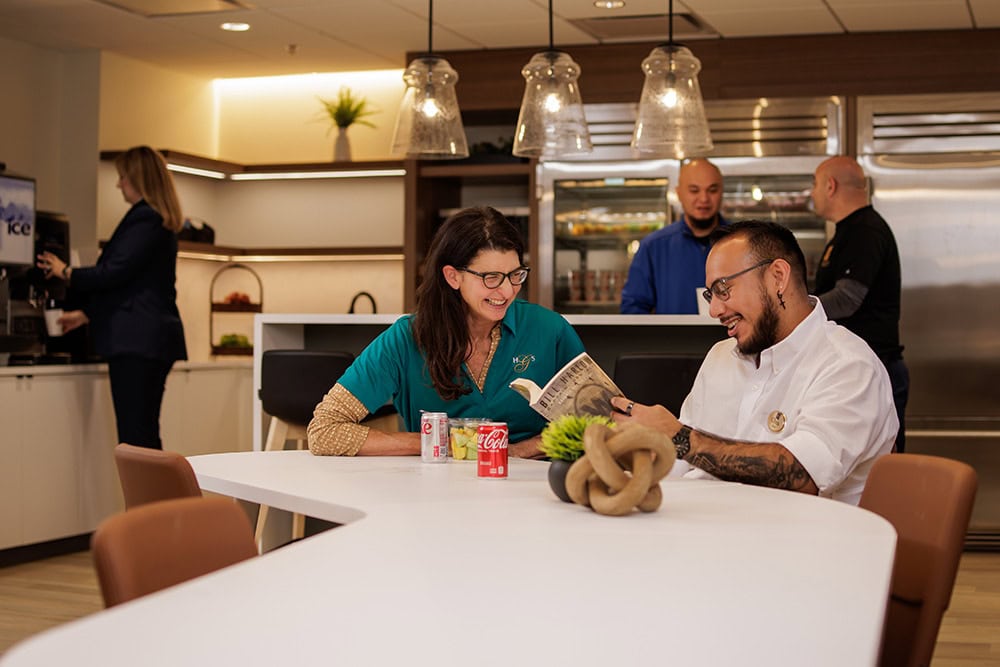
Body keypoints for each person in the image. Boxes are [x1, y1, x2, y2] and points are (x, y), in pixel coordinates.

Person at [610, 220, 897, 505]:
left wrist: (679, 437)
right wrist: (630, 450)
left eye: (723, 289)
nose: (714, 310)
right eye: (711, 294)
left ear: (777, 277)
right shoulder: (720, 356)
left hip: (807, 544)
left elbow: (802, 475)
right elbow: (683, 462)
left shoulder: (848, 365)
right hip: (711, 534)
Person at [307, 206, 585, 458]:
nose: (507, 290)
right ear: (453, 276)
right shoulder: (406, 338)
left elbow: (591, 423)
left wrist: (517, 451)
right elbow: (324, 431)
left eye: (515, 275)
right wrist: (442, 443)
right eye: (491, 278)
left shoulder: (549, 329)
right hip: (433, 495)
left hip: (534, 494)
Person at [37, 146, 187, 450]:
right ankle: (152, 499)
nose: (119, 184)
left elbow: (112, 273)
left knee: (136, 440)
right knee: (142, 437)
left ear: (138, 178)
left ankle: (149, 499)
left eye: (123, 178)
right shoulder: (157, 221)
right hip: (149, 339)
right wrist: (85, 315)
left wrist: (65, 271)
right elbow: (131, 283)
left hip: (137, 341)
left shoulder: (145, 218)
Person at [811, 156, 909, 452]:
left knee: (882, 475)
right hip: (862, 366)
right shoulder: (849, 231)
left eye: (814, 185)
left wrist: (795, 309)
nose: (811, 193)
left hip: (877, 367)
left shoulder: (865, 231)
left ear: (830, 186)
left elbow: (847, 299)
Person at [620, 158, 728, 314]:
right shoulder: (652, 247)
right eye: (694, 190)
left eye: (712, 190)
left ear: (722, 192)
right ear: (679, 193)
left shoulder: (743, 243)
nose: (704, 199)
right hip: (671, 339)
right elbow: (633, 309)